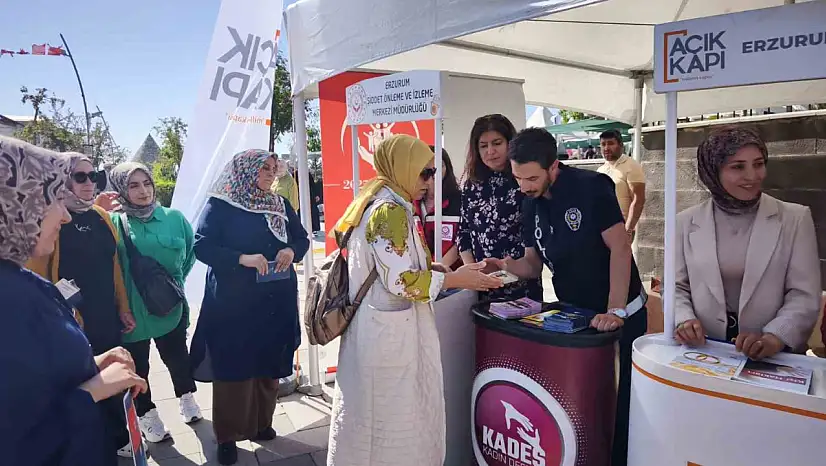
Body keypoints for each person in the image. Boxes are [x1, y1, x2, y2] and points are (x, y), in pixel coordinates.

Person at [326, 134, 502, 466]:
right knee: (391, 423)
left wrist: (435, 267)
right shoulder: (389, 210)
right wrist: (454, 278)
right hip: (387, 336)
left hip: (384, 329)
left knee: (386, 421)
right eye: (424, 173)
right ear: (402, 168)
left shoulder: (384, 200)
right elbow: (400, 280)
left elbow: (393, 265)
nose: (430, 181)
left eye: (433, 172)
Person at [490, 128, 647, 466]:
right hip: (576, 319)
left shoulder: (590, 188)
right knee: (581, 409)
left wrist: (615, 310)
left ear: (554, 166)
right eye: (518, 178)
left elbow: (620, 247)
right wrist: (502, 266)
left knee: (620, 413)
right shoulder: (529, 202)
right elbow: (532, 265)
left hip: (619, 316)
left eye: (532, 177)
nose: (524, 186)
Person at [0, 136, 147, 466]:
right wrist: (92, 391)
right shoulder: (10, 301)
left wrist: (91, 364)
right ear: (15, 205)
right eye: (53, 199)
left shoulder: (19, 283)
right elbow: (18, 435)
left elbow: (37, 379)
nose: (64, 216)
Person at [190, 149, 310, 465]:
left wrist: (290, 250)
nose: (271, 174)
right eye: (264, 169)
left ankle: (261, 424)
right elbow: (201, 244)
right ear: (245, 170)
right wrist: (241, 259)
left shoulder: (280, 204)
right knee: (235, 367)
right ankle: (228, 436)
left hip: (274, 298)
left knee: (269, 363)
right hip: (234, 302)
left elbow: (302, 239)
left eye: (274, 169)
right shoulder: (222, 204)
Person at [674, 127, 821, 358]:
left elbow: (804, 294)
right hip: (704, 353)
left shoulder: (794, 218)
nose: (752, 176)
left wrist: (775, 337)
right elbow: (675, 286)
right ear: (713, 171)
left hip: (773, 357)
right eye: (738, 167)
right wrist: (684, 320)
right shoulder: (685, 222)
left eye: (759, 164)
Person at [26, 153, 136, 458]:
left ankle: (119, 435)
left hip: (106, 316)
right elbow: (37, 279)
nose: (90, 183)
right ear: (61, 180)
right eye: (80, 176)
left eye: (94, 176)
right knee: (84, 380)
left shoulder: (101, 216)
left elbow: (113, 266)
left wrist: (123, 306)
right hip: (72, 322)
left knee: (112, 375)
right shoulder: (51, 218)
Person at [106, 162, 202, 442]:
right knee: (138, 367)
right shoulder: (113, 221)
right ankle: (147, 415)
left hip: (168, 308)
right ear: (121, 189)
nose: (143, 191)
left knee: (177, 358)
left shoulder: (174, 217)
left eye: (146, 183)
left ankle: (187, 398)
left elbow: (189, 255)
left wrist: (171, 287)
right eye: (133, 185)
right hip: (131, 313)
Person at [458, 114, 542, 301]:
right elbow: (463, 233)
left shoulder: (523, 181)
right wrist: (474, 275)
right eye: (483, 146)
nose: (490, 151)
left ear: (509, 143)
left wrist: (509, 270)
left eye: (497, 143)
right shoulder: (471, 185)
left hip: (521, 284)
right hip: (482, 286)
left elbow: (535, 237)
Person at [413, 146, 463, 271]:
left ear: (447, 168)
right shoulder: (411, 202)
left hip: (454, 277)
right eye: (428, 167)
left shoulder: (459, 200)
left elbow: (462, 241)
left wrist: (438, 270)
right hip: (419, 276)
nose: (434, 171)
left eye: (439, 165)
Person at [597, 129, 645, 241]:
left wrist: (628, 229)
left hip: (621, 229)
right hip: (602, 230)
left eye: (611, 143)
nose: (606, 148)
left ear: (621, 145)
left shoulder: (631, 166)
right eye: (603, 144)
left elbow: (638, 200)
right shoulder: (601, 170)